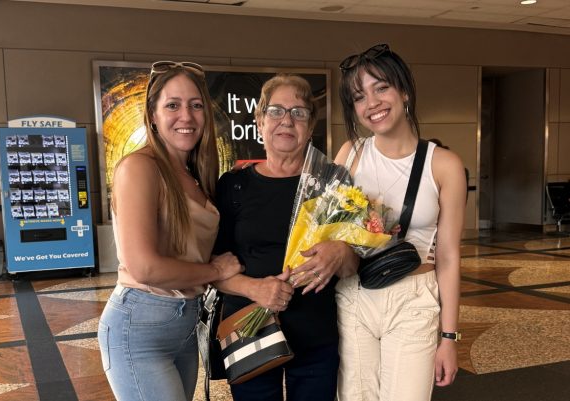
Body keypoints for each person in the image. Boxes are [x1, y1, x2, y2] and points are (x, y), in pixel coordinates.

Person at [97, 61, 242, 401]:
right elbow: (144, 267)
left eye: (195, 105)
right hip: (139, 327)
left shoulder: (195, 175)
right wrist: (215, 271)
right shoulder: (140, 167)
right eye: (173, 105)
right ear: (152, 115)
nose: (186, 117)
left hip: (184, 326)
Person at [332, 44, 466, 401]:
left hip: (414, 298)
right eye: (359, 97)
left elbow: (450, 257)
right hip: (355, 295)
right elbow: (329, 230)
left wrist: (449, 337)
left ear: (403, 90)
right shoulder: (351, 154)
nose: (372, 103)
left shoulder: (444, 165)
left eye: (381, 88)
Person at [213, 73, 358, 401]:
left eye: (299, 112)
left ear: (310, 124)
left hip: (315, 332)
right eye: (276, 111)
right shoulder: (234, 186)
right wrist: (256, 289)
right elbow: (212, 268)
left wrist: (341, 251)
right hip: (249, 326)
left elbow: (352, 267)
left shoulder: (331, 185)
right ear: (260, 120)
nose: (287, 121)